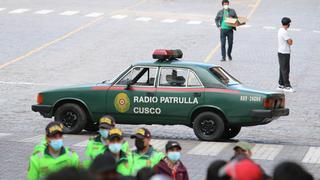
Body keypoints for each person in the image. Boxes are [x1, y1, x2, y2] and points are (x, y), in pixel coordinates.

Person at [277, 17, 295, 92]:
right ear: (288, 24)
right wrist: (291, 40)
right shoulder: (284, 32)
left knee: (282, 68)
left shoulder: (280, 30)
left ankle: (281, 84)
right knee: (286, 69)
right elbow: (290, 42)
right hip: (285, 53)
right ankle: (287, 86)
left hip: (281, 52)